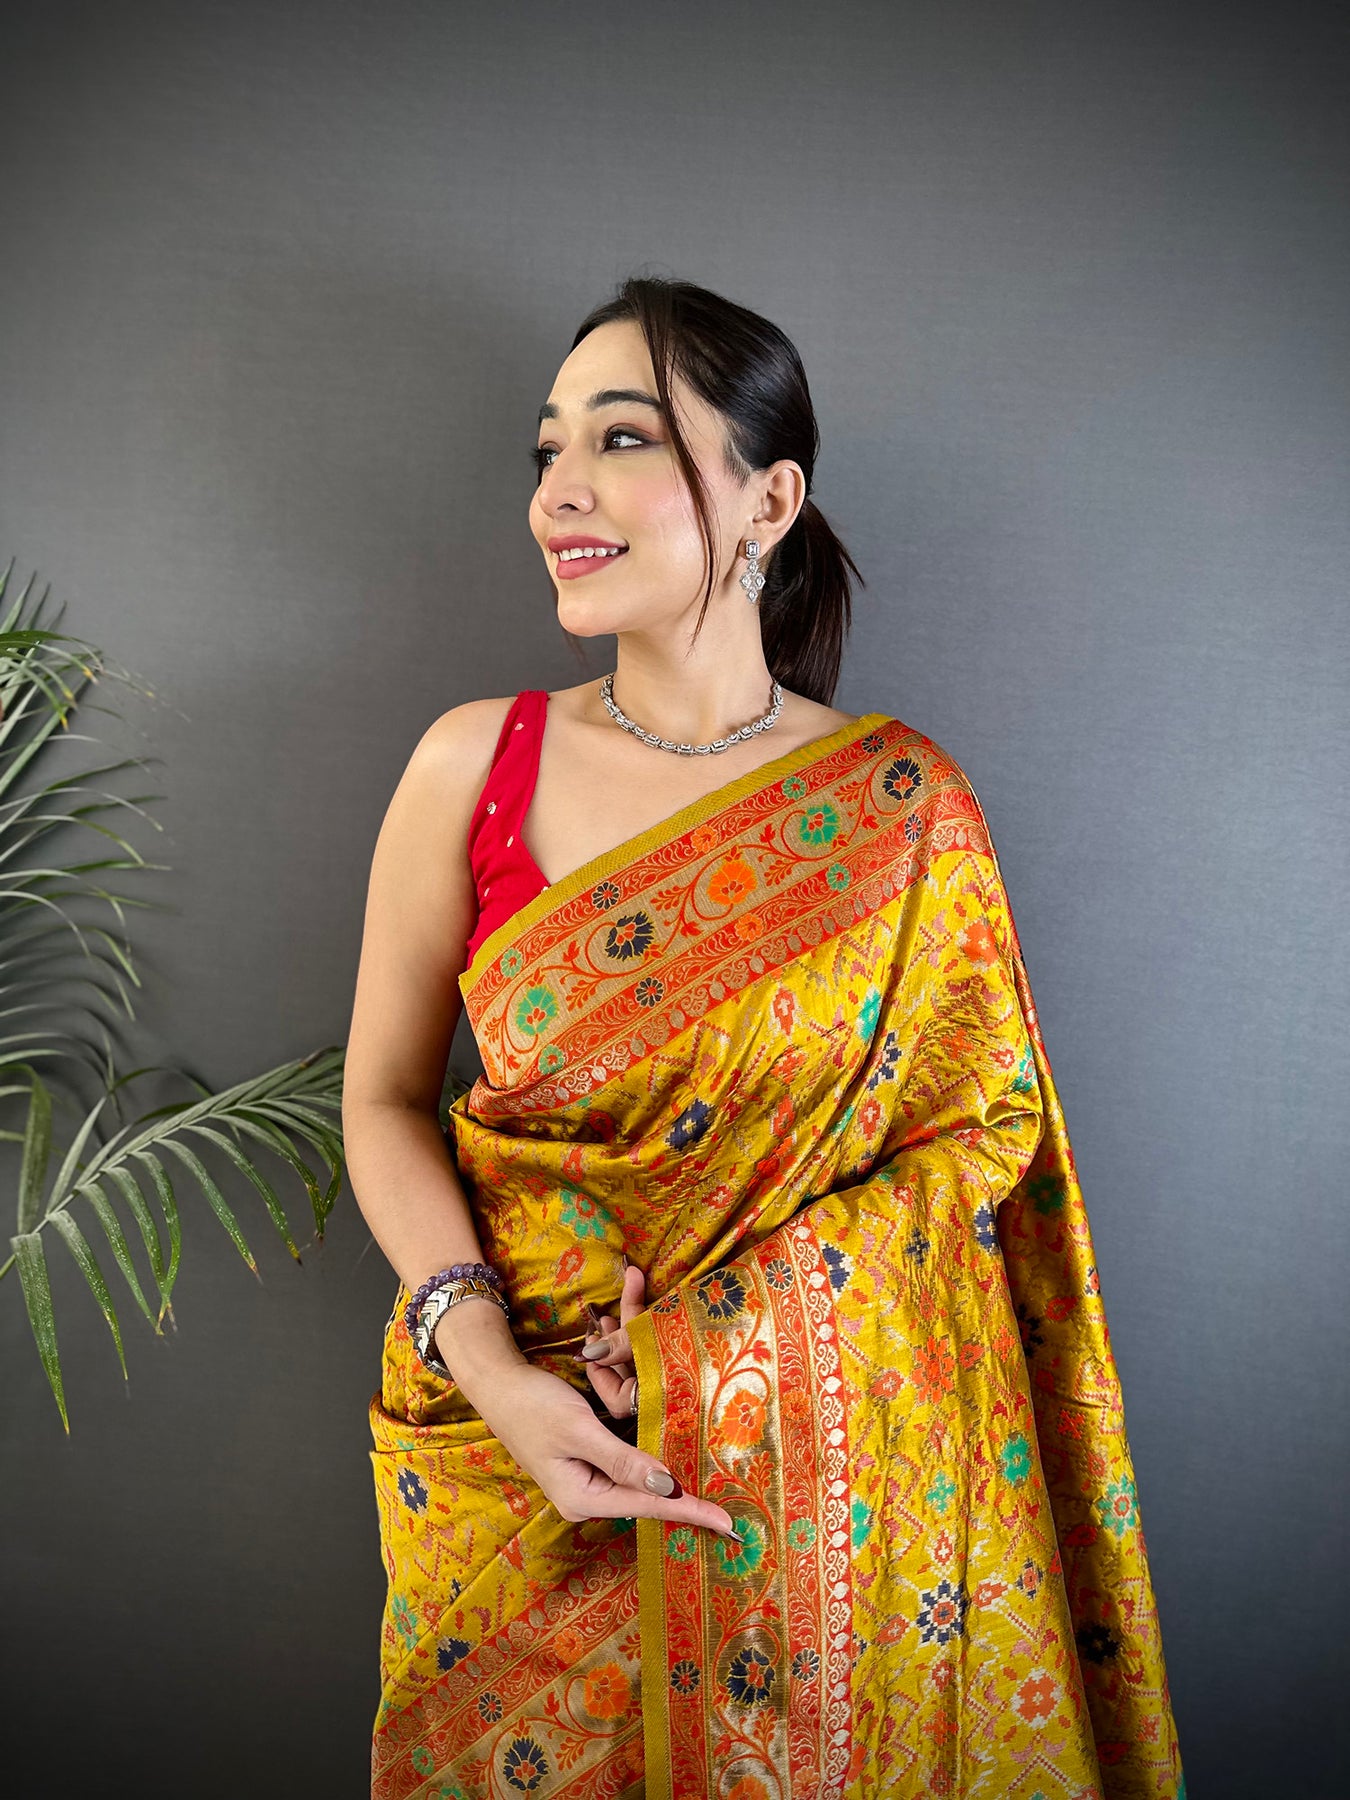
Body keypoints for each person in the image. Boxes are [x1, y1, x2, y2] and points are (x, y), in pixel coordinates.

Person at [344, 275, 1183, 1800]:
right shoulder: (474, 763)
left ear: (766, 500)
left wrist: (722, 1337)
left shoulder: (901, 812)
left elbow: (974, 1154)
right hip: (510, 1464)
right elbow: (386, 1100)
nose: (558, 490)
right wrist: (491, 1368)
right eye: (545, 449)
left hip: (807, 1498)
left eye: (621, 438)